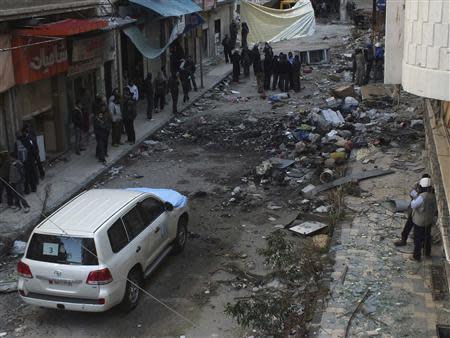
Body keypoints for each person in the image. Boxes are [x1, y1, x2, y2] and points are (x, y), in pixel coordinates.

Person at [394, 174, 432, 247]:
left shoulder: (431, 190)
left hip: (425, 213)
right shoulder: (417, 185)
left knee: (423, 231)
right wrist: (417, 197)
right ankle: (403, 240)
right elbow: (412, 193)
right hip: (415, 210)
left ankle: (422, 244)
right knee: (408, 226)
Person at [410, 177, 437, 261]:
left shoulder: (422, 197)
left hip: (419, 222)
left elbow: (413, 205)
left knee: (418, 239)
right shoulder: (433, 195)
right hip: (429, 221)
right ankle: (427, 253)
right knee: (427, 237)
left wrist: (415, 195)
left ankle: (416, 256)